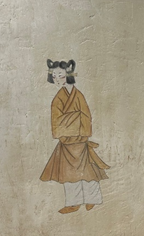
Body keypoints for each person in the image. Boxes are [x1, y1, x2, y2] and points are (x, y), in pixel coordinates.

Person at [40, 59, 110, 214]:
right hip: (66, 142)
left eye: (60, 75)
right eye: (55, 76)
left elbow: (86, 116)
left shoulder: (79, 95)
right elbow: (56, 121)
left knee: (89, 173)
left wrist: (73, 123)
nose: (57, 79)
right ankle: (73, 203)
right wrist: (74, 120)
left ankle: (92, 199)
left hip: (80, 141)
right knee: (69, 175)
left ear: (68, 75)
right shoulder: (58, 99)